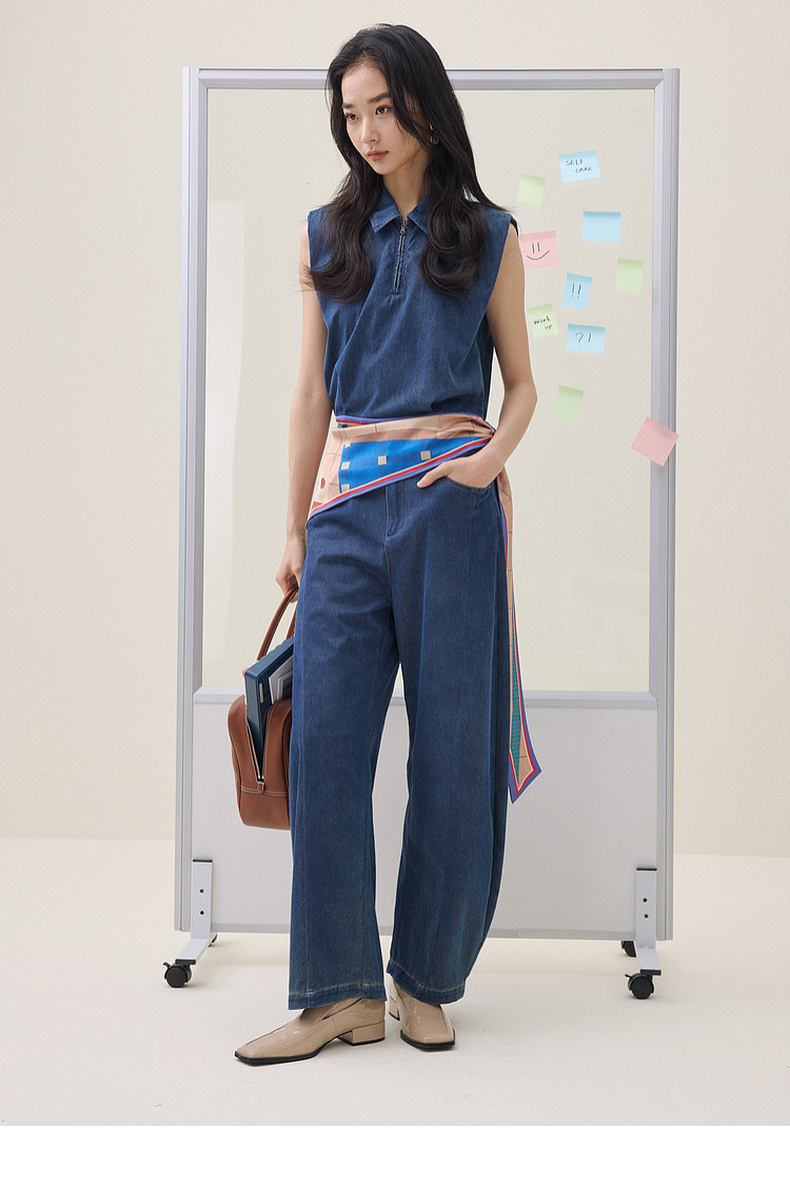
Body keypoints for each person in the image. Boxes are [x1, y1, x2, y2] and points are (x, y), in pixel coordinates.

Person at [235, 23, 539, 1066]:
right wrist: (292, 525)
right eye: (351, 113)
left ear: (424, 107)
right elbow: (309, 394)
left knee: (453, 751)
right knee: (324, 749)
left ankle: (424, 980)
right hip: (345, 516)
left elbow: (521, 384)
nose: (366, 130)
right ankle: (337, 995)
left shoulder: (489, 234)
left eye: (382, 108)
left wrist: (489, 462)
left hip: (451, 508)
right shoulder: (327, 235)